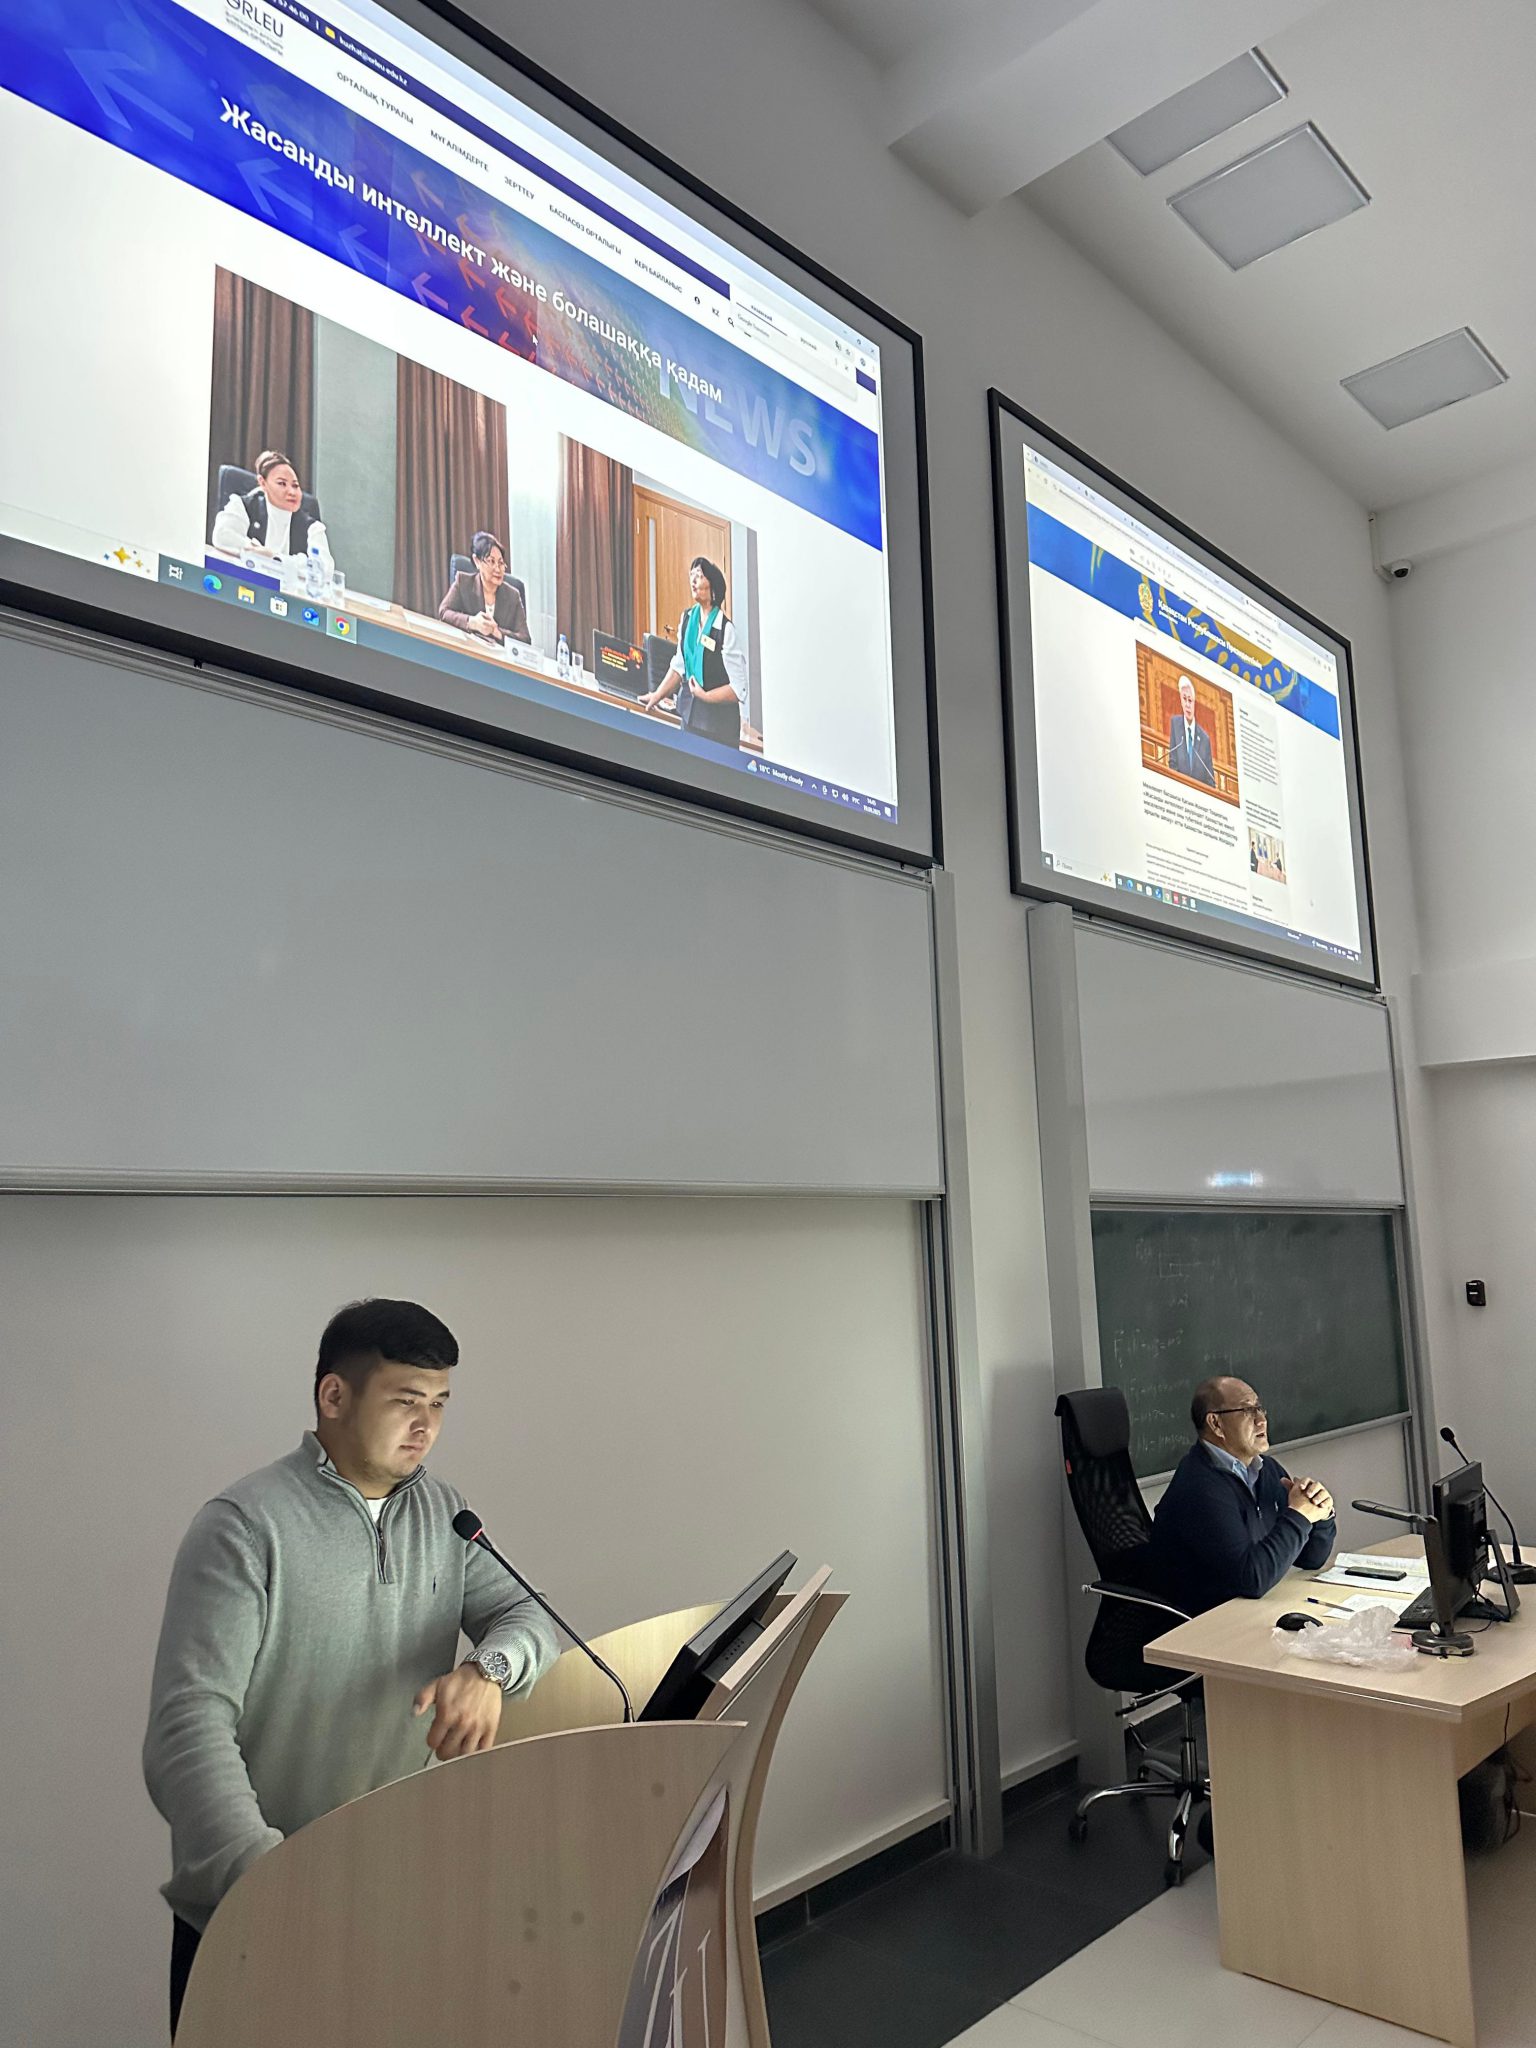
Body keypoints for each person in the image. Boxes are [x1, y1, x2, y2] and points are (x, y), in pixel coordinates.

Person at [143, 1299, 558, 2038]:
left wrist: (487, 1671)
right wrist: (272, 1886)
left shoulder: (445, 1513)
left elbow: (529, 1617)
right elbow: (189, 1730)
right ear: (334, 1396)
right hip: (261, 1916)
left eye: (440, 1404)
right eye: (405, 1401)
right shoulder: (243, 1527)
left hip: (398, 1898)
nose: (426, 1426)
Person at [1145, 1375, 1337, 1614]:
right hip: (1199, 1621)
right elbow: (1251, 1580)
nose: (1261, 1420)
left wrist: (1321, 1516)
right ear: (1216, 1423)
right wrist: (1299, 1515)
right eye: (1247, 1410)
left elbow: (1310, 1558)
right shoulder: (1199, 1487)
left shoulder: (1267, 1470)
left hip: (1246, 1610)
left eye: (1260, 1408)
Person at [639, 556, 749, 748]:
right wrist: (657, 695)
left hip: (718, 726)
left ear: (713, 587)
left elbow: (738, 688)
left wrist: (706, 696)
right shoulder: (688, 619)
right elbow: (679, 665)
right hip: (689, 716)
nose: (693, 580)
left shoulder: (725, 630)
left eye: (699, 576)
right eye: (692, 575)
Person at [210, 449, 334, 580]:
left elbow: (324, 570)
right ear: (263, 483)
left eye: (295, 485)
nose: (292, 492)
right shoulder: (242, 505)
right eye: (282, 483)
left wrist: (273, 557)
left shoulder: (312, 527)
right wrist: (254, 550)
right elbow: (222, 536)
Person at [438, 531, 530, 645]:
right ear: (477, 561)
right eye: (491, 561)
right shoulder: (463, 583)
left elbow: (525, 639)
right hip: (469, 650)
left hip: (497, 655)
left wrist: (498, 632)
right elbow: (444, 612)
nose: (498, 569)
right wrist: (471, 622)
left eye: (501, 563)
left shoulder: (513, 595)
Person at [1166, 675, 1216, 788]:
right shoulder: (1175, 724)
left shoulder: (1205, 739)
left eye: (1190, 700)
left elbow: (1210, 779)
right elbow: (1172, 763)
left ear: (1194, 703)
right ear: (1180, 700)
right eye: (1184, 699)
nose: (1187, 705)